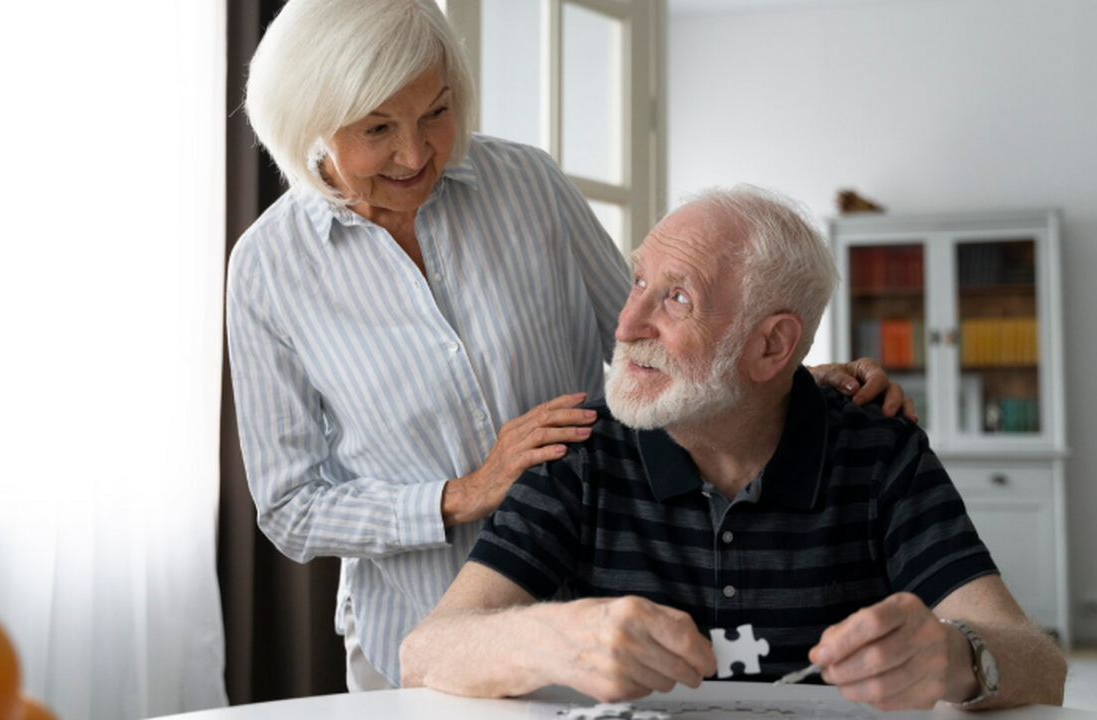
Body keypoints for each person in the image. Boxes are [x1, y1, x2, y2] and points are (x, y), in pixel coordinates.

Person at [228, 0, 911, 691]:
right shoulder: (267, 269)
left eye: (435, 111)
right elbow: (291, 507)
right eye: (378, 128)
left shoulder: (527, 185)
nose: (415, 152)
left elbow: (653, 343)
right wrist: (460, 495)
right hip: (410, 632)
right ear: (307, 126)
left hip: (590, 622)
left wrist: (779, 382)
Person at [400, 186, 1067, 712]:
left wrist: (954, 658)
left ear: (773, 346)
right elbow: (426, 652)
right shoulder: (580, 448)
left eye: (677, 297)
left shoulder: (880, 448)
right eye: (638, 281)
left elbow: (1041, 665)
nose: (627, 324)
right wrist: (552, 640)